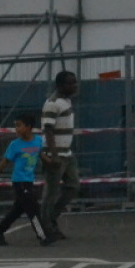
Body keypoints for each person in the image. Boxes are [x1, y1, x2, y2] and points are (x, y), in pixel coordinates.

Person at [0, 112, 52, 246]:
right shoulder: (15, 145)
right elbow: (3, 163)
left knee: (17, 210)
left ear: (29, 127)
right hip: (20, 182)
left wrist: (51, 162)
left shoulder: (38, 141)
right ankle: (43, 236)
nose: (16, 129)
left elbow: (40, 154)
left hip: (29, 181)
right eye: (15, 126)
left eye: (19, 126)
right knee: (33, 209)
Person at [40, 70, 80, 241]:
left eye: (74, 82)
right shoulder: (52, 103)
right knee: (51, 192)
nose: (74, 86)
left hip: (67, 153)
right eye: (70, 83)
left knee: (73, 186)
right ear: (61, 85)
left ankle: (51, 218)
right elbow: (48, 130)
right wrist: (53, 156)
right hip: (56, 154)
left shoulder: (66, 101)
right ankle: (46, 227)